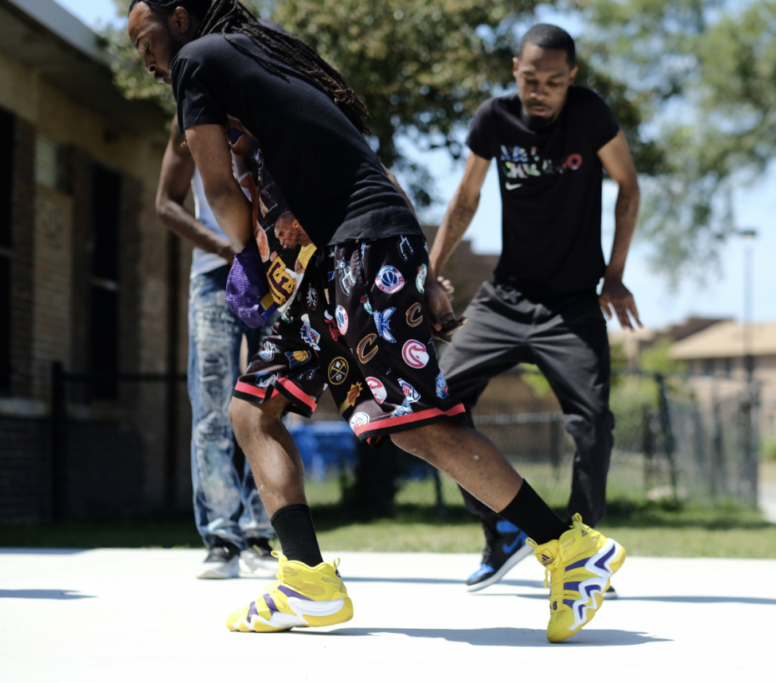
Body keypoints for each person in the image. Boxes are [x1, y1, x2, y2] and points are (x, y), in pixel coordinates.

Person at [126, 0, 626, 643]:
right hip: (340, 258)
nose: (144, 59)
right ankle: (306, 582)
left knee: (418, 425)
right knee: (253, 409)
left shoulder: (198, 61)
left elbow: (219, 188)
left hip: (359, 251)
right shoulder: (267, 60)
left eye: (146, 41)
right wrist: (415, 269)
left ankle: (570, 549)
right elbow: (370, 163)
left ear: (181, 16)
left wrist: (250, 261)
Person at [430, 24, 642, 593]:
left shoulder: (591, 115)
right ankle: (500, 533)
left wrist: (614, 275)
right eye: (529, 79)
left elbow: (628, 184)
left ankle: (578, 549)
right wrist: (429, 274)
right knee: (433, 403)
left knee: (594, 424)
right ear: (515, 72)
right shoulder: (494, 119)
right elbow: (467, 197)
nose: (539, 91)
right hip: (505, 297)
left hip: (571, 305)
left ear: (571, 78)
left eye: (553, 81)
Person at [157, 115, 278, 579]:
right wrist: (228, 249)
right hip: (213, 276)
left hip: (277, 274)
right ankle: (222, 537)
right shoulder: (189, 118)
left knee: (269, 404)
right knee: (211, 407)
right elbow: (166, 204)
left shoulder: (273, 110)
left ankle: (261, 536)